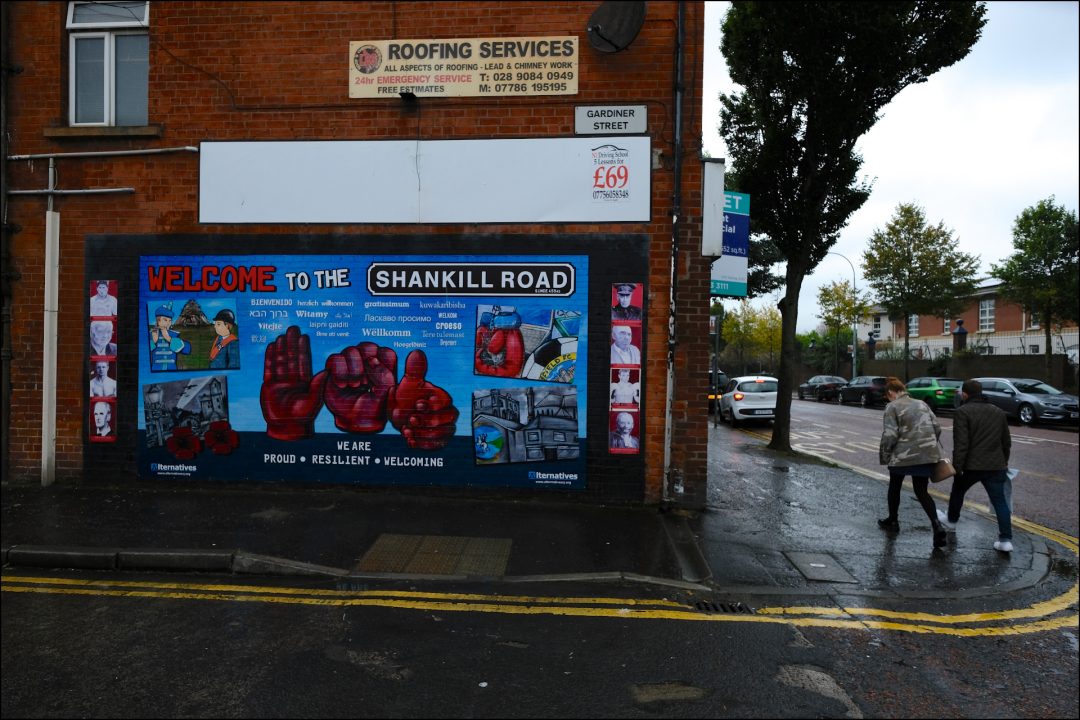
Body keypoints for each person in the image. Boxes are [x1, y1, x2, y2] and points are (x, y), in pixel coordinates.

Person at [937, 379, 1014, 553]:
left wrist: (957, 467)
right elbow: (1006, 443)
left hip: (971, 466)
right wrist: (1004, 462)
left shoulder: (962, 412)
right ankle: (1005, 540)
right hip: (996, 465)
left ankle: (952, 520)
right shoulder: (998, 412)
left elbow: (961, 444)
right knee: (1000, 501)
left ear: (965, 394)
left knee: (958, 491)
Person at [877, 377, 948, 548]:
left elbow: (890, 435)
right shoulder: (922, 404)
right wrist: (927, 445)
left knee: (895, 486)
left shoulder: (892, 406)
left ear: (891, 393)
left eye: (888, 396)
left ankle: (893, 521)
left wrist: (885, 455)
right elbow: (937, 428)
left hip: (902, 455)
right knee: (921, 491)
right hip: (926, 454)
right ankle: (936, 525)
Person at [148, 303, 191, 371]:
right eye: (165, 320)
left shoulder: (174, 334)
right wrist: (153, 341)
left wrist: (169, 339)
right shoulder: (150, 334)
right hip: (155, 370)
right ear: (158, 321)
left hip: (172, 369)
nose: (168, 323)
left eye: (170, 320)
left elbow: (187, 350)